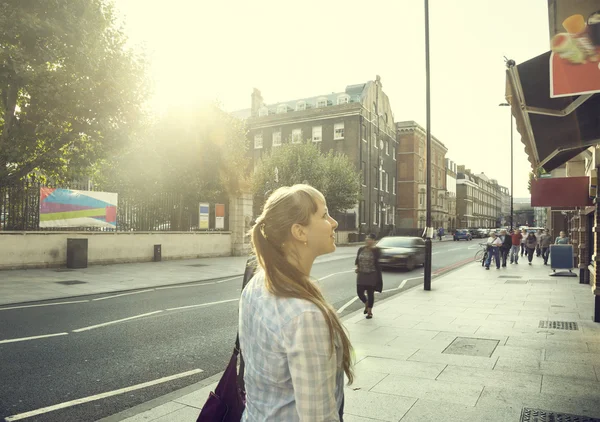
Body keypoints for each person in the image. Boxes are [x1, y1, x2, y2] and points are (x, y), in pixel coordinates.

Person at [239, 184, 353, 421]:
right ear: (299, 232)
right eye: (324, 215)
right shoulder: (305, 315)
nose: (334, 223)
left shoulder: (255, 284)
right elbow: (318, 417)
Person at [355, 234, 383, 319]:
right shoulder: (361, 249)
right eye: (367, 239)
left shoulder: (376, 250)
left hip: (372, 274)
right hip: (361, 274)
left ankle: (369, 312)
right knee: (360, 292)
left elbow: (378, 261)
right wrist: (357, 268)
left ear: (374, 241)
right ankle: (366, 303)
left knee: (370, 293)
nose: (368, 241)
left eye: (370, 239)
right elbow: (357, 260)